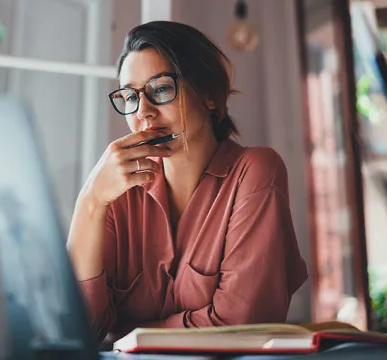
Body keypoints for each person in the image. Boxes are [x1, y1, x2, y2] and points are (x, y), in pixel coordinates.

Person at [67, 21, 308, 343]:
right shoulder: (115, 193)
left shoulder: (255, 170)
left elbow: (242, 323)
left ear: (208, 94)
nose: (144, 113)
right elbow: (79, 329)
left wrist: (127, 334)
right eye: (130, 96)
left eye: (161, 88)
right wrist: (90, 202)